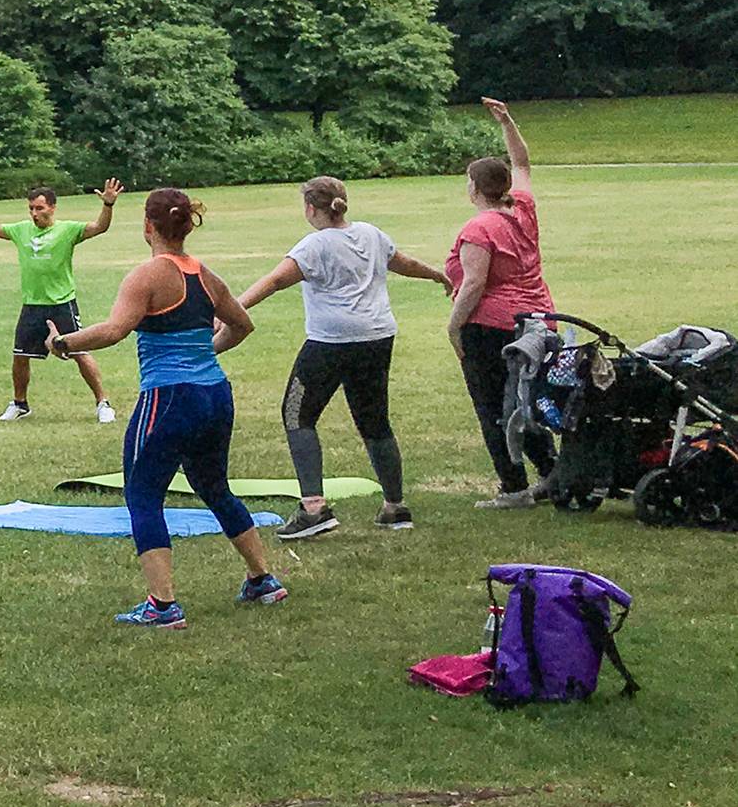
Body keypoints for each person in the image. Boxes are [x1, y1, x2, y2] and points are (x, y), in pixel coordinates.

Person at [48, 188, 289, 628]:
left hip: (169, 397)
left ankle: (162, 604)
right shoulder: (206, 276)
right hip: (215, 395)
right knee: (215, 487)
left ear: (148, 226)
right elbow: (243, 325)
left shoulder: (148, 275)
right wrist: (206, 354)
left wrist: (63, 343)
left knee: (142, 494)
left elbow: (116, 330)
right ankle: (263, 579)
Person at [237, 177, 448, 536]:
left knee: (297, 414)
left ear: (310, 208)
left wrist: (232, 308)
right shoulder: (370, 234)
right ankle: (395, 507)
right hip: (377, 338)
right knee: (375, 421)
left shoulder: (313, 246)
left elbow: (274, 281)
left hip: (330, 341)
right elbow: (405, 263)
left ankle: (313, 509)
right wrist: (437, 275)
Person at [446, 97, 559, 509]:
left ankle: (513, 487)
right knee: (524, 402)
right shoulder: (522, 210)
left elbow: (474, 285)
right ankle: (553, 473)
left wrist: (453, 325)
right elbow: (523, 164)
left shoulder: (480, 227)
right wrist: (507, 121)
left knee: (494, 407)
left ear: (474, 188)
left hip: (492, 328)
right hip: (538, 321)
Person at [0, 181, 123, 423]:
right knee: (20, 356)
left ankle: (103, 403)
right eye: (31, 209)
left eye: (39, 208)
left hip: (62, 303)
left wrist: (108, 204)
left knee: (80, 352)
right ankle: (20, 404)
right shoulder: (21, 230)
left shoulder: (68, 230)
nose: (34, 214)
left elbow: (100, 227)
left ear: (53, 207)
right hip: (32, 305)